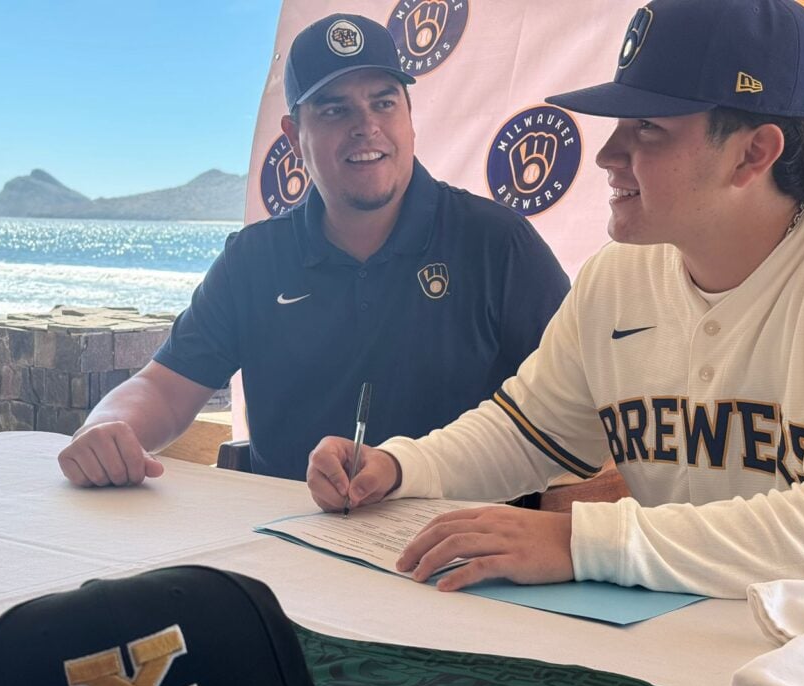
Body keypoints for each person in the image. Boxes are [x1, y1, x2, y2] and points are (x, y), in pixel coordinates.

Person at [306, 0, 804, 599]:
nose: (608, 155)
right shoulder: (616, 276)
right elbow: (524, 432)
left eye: (647, 129)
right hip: (672, 646)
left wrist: (581, 540)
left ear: (753, 153)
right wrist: (400, 467)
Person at [58, 13, 569, 486]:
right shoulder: (254, 261)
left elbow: (580, 405)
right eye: (333, 109)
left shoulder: (498, 244)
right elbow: (165, 390)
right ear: (294, 136)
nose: (365, 125)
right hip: (281, 548)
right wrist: (107, 427)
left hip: (456, 550)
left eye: (384, 101)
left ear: (410, 117)